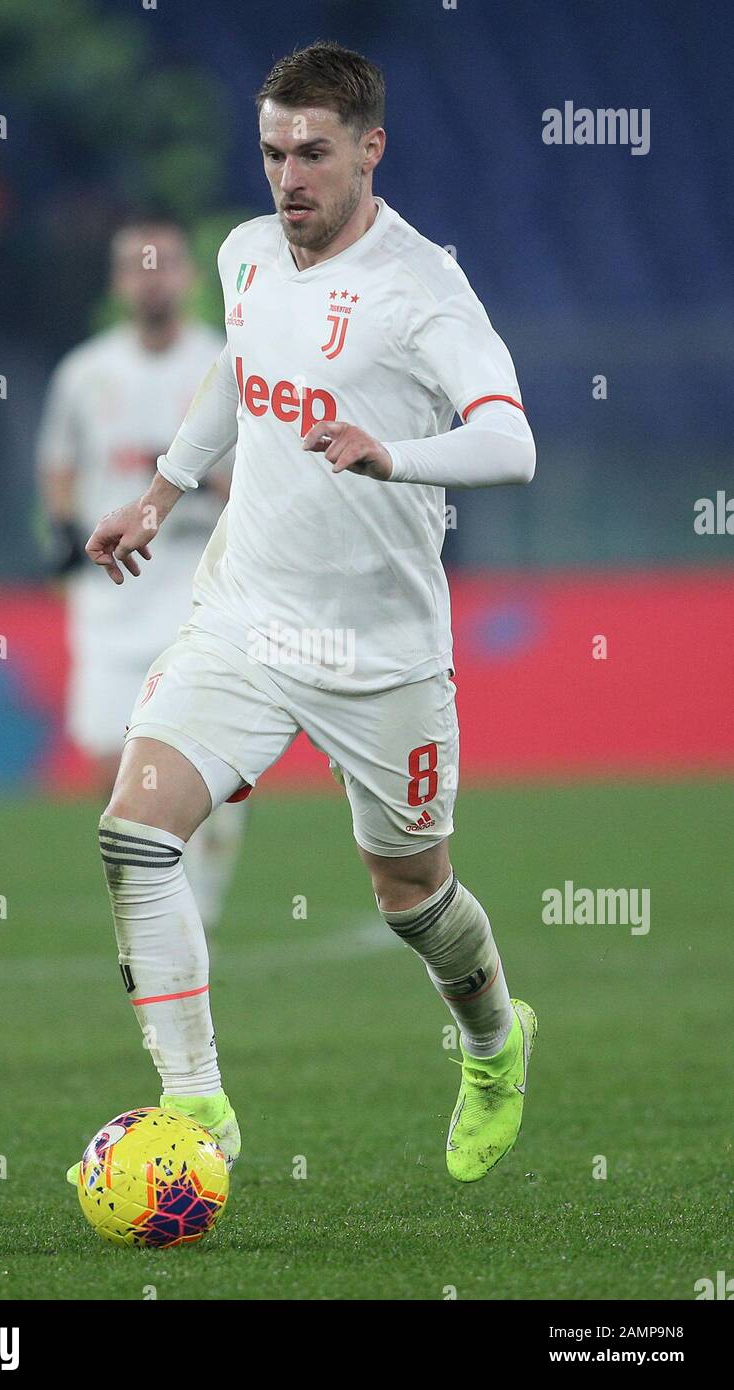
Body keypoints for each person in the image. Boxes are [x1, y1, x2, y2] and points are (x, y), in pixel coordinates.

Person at [82, 43, 537, 1182]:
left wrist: (395, 456)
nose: (289, 175)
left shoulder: (419, 290)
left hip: (378, 651)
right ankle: (199, 1115)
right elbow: (241, 370)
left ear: (369, 150)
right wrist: (163, 491)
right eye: (273, 151)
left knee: (411, 894)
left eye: (314, 153)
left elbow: (512, 440)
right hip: (243, 614)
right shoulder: (242, 255)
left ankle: (492, 1044)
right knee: (134, 835)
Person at [37, 216, 246, 929]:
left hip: (198, 584)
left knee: (199, 757)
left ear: (189, 276)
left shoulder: (224, 362)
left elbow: (260, 466)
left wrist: (227, 492)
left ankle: (195, 913)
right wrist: (64, 529)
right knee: (107, 760)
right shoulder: (85, 373)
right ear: (118, 282)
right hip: (111, 594)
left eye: (163, 264)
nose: (151, 276)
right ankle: (158, 894)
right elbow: (60, 462)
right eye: (135, 265)